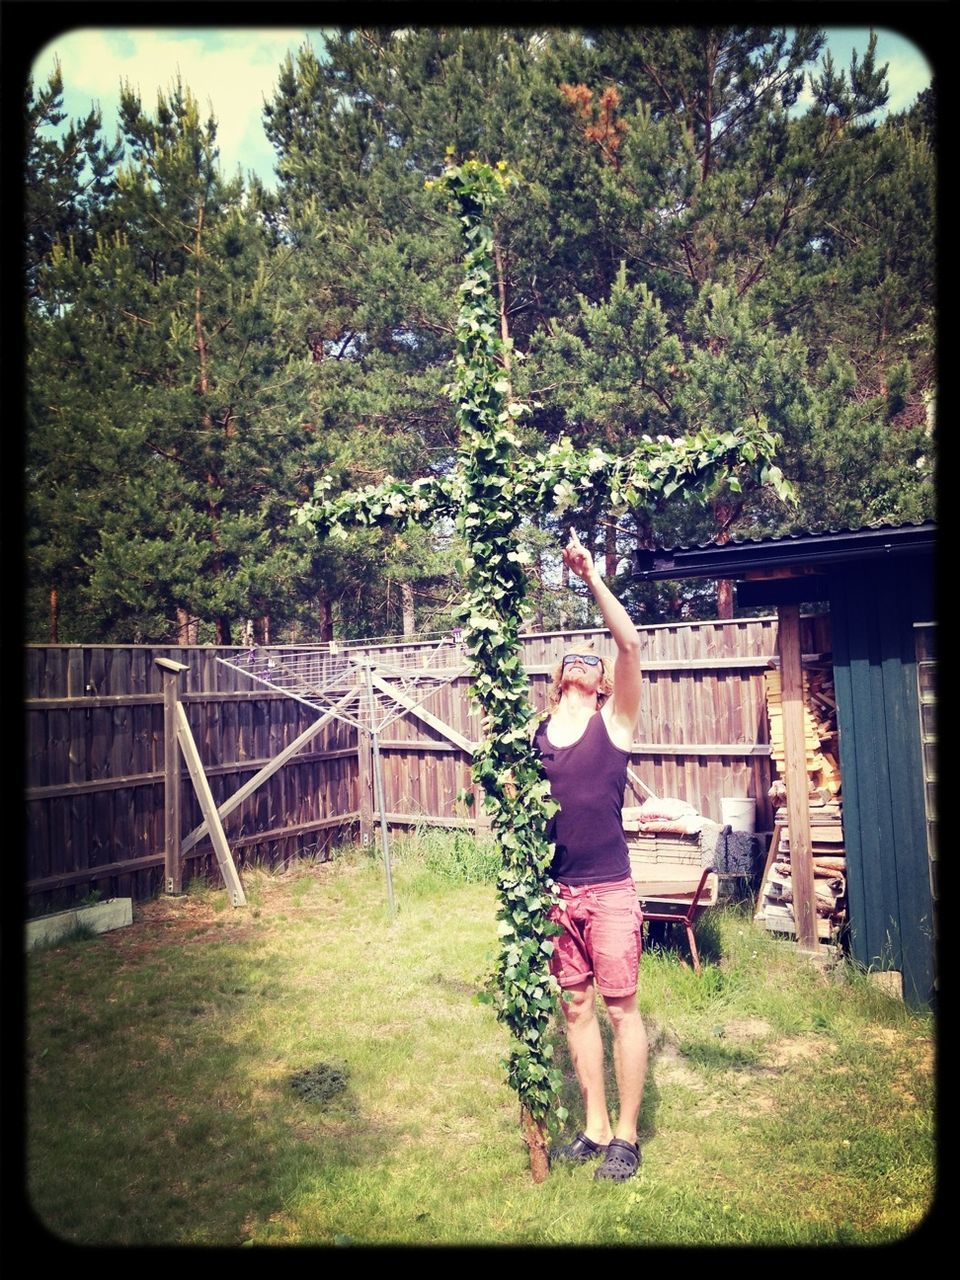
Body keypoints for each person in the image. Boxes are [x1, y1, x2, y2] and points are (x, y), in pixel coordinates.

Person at [534, 529, 646, 1181]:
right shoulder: (538, 737)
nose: (582, 658)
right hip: (559, 894)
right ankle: (595, 1125)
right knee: (575, 1008)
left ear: (602, 684)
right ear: (558, 684)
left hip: (608, 891)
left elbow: (629, 643)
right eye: (569, 656)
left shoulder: (616, 724)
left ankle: (627, 1136)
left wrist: (589, 577)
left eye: (590, 657)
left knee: (620, 1008)